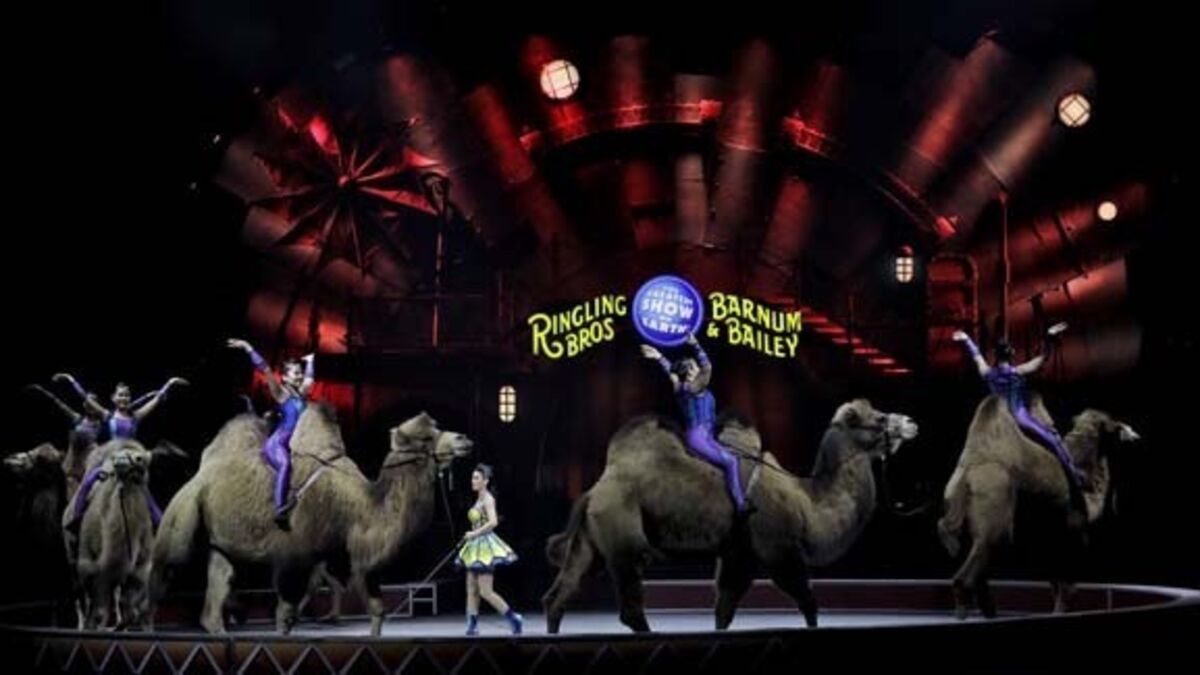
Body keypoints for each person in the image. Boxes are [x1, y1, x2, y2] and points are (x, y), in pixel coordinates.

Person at [641, 333, 752, 514]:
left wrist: (659, 356)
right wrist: (695, 345)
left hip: (707, 436)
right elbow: (708, 367)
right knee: (732, 462)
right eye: (695, 366)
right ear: (690, 372)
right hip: (699, 438)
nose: (699, 367)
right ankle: (740, 506)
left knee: (735, 455)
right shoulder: (694, 387)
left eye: (696, 365)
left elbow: (671, 373)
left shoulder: (680, 386)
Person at [454, 463, 522, 635]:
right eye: (472, 477)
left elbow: (493, 522)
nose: (473, 481)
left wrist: (474, 533)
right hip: (474, 546)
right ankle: (472, 625)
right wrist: (471, 535)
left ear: (485, 481)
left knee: (485, 591)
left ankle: (513, 618)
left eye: (476, 478)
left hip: (485, 547)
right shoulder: (478, 499)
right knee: (471, 589)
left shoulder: (488, 499)